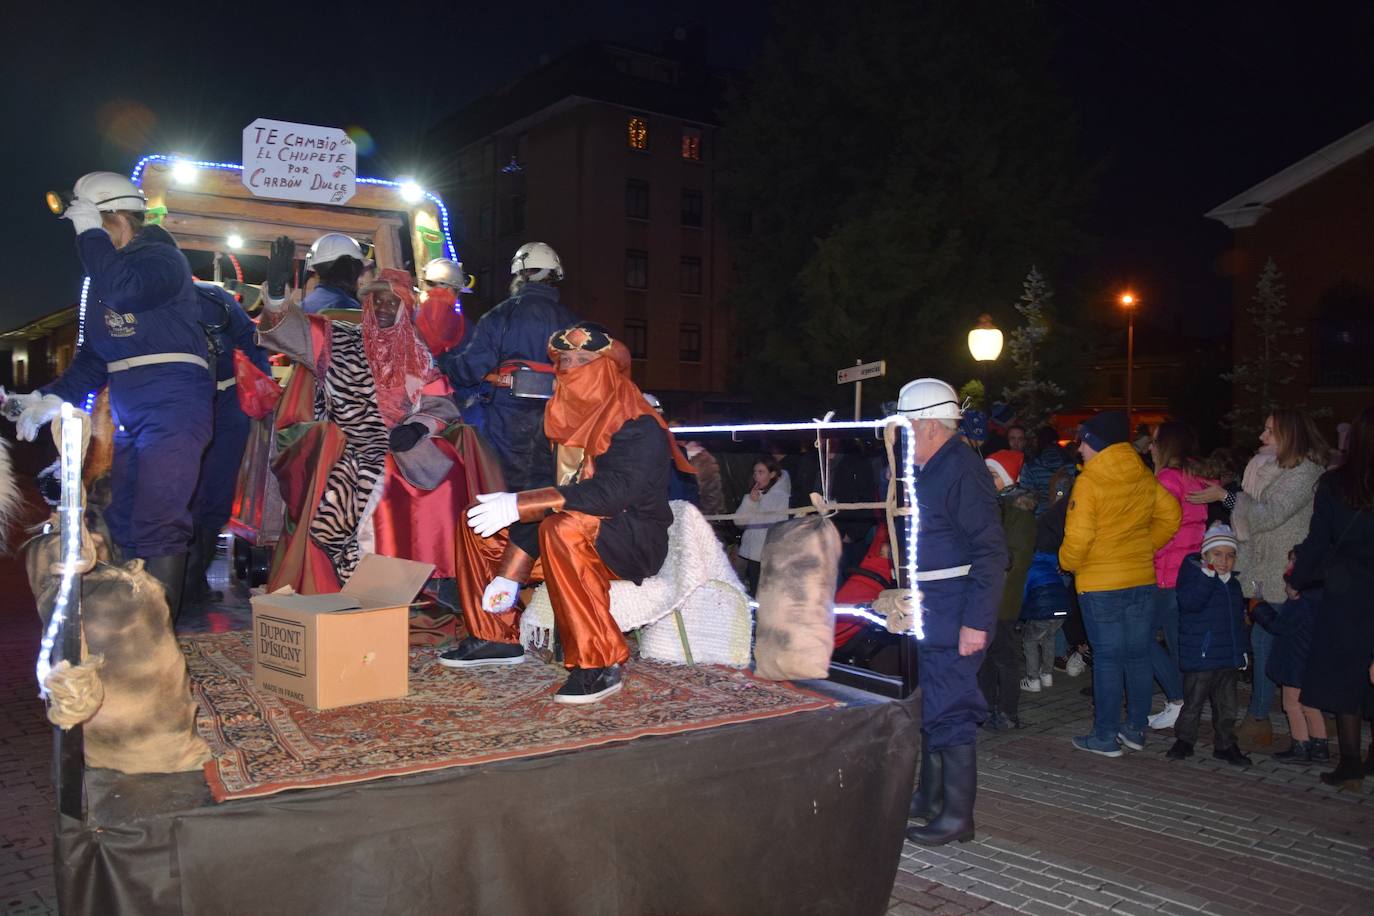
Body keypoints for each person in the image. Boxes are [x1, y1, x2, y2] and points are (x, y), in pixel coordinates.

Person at [439, 322, 695, 704]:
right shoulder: (554, 420)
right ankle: (494, 635)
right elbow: (537, 494)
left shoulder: (639, 423)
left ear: (609, 366)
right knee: (479, 520)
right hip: (564, 532)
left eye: (585, 360)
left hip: (630, 540)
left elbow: (613, 494)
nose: (573, 368)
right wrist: (511, 570)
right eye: (565, 360)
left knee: (563, 525)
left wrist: (523, 505)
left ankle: (598, 663)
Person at [8, 171, 213, 612]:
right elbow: (94, 355)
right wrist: (50, 397)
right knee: (121, 516)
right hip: (130, 401)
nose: (89, 242)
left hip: (174, 397)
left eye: (96, 228)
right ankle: (129, 621)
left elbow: (125, 291)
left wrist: (89, 236)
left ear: (118, 218)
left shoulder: (160, 257)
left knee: (160, 517)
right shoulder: (107, 278)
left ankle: (158, 641)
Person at [259, 243, 489, 591]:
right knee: (369, 488)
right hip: (347, 442)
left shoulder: (418, 354)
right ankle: (366, 583)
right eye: (377, 300)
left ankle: (437, 582)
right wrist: (277, 297)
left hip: (405, 444)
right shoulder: (335, 337)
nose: (383, 307)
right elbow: (288, 332)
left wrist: (418, 426)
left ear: (405, 308)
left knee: (450, 476)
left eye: (392, 302)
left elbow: (440, 404)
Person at [898, 378, 1008, 847]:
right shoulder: (930, 467)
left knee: (953, 708)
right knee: (933, 703)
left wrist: (976, 622)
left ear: (926, 425)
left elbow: (991, 550)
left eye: (905, 425)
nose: (900, 434)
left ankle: (958, 817)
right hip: (931, 609)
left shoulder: (961, 468)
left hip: (954, 610)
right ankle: (932, 796)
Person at [1188, 409, 1327, 751]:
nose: (1262, 438)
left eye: (1270, 432)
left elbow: (1268, 515)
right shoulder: (1264, 470)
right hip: (1261, 572)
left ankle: (1260, 719)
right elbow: (1253, 514)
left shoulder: (1304, 472)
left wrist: (1226, 497)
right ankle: (1297, 717)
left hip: (1283, 575)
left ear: (1290, 435)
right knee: (1267, 644)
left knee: (1269, 644)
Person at [1059, 410, 1180, 757]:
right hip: (1141, 578)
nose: (1079, 448)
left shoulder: (1091, 481)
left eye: (1083, 441)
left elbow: (1078, 540)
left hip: (1100, 584)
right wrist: (1145, 546)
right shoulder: (1141, 473)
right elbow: (1171, 515)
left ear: (1096, 444)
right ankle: (1135, 729)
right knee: (1138, 655)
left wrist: (1066, 562)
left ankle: (1105, 735)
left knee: (1109, 659)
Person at [437, 242, 576, 492]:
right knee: (545, 487)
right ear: (554, 276)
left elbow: (470, 369)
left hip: (507, 417)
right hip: (557, 415)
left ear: (520, 274)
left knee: (505, 487)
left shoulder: (500, 315)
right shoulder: (573, 323)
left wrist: (444, 362)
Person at [1293, 405, 1374, 790]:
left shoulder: (1336, 485)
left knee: (1346, 677)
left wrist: (1300, 576)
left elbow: (1317, 543)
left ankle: (1351, 761)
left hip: (1348, 594)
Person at [184, 281, 269, 606]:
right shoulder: (147, 301)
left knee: (217, 493)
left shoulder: (214, 299)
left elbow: (252, 343)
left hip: (226, 401)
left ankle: (195, 577)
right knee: (182, 491)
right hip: (182, 402)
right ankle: (181, 580)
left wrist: (259, 393)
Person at [1145, 422, 1214, 731]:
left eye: (1155, 442)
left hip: (1165, 574)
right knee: (1175, 644)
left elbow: (1159, 529)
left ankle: (1177, 701)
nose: (1150, 447)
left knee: (1140, 638)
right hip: (1186, 573)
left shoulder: (1167, 481)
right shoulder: (1197, 481)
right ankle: (1183, 707)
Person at [1166, 523, 1251, 766]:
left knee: (1227, 706)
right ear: (1205, 555)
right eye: (1217, 554)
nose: (1224, 561)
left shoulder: (1233, 584)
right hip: (1202, 654)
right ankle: (1184, 740)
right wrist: (1207, 576)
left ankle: (1225, 744)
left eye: (1230, 555)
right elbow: (1190, 603)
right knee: (1193, 702)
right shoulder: (1195, 576)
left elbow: (1237, 621)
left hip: (1227, 656)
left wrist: (1242, 650)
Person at [1250, 552, 1327, 764]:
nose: (1289, 564)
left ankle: (1300, 744)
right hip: (1310, 661)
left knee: (1291, 704)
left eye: (1294, 561)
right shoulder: (1319, 597)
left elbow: (1281, 626)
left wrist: (1259, 608)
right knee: (1310, 704)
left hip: (1295, 661)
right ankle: (1320, 744)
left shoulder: (1303, 602)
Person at [977, 450, 1034, 730]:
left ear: (1008, 478)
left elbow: (1016, 558)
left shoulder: (1018, 510)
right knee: (985, 654)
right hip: (987, 593)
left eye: (994, 475)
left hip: (1002, 596)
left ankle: (1008, 711)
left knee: (1004, 656)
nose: (988, 479)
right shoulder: (995, 504)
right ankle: (986, 707)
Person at [1020, 471, 1073, 689]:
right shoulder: (1053, 561)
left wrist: (1021, 612)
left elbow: (1025, 592)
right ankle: (1047, 674)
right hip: (1062, 606)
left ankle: (1033, 679)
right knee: (1049, 638)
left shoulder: (1030, 565)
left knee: (1030, 640)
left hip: (1044, 608)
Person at [734, 456, 792, 594]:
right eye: (755, 472)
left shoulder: (780, 497)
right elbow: (739, 522)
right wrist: (751, 502)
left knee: (767, 593)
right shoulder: (755, 495)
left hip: (769, 555)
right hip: (754, 554)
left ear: (772, 474)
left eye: (761, 472)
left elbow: (779, 526)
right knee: (755, 591)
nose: (756, 476)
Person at [1019, 426, 1069, 513]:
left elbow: (1027, 497)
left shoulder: (1031, 466)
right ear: (1056, 441)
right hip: (1064, 515)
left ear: (1038, 442)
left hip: (1039, 516)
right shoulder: (1070, 464)